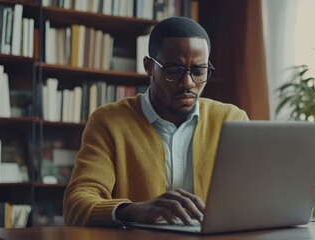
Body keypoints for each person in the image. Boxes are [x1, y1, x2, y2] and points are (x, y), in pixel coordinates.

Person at [63, 16, 249, 227]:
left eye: (198, 71)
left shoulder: (231, 120)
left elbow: (256, 195)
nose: (188, 83)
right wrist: (133, 210)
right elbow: (76, 204)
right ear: (149, 67)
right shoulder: (108, 122)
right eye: (173, 71)